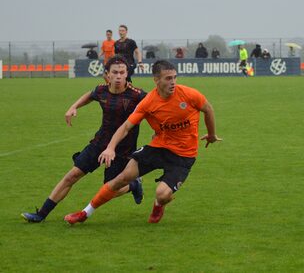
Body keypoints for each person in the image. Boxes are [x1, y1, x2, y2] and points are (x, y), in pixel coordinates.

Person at [64, 60, 222, 225]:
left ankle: (158, 204)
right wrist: (110, 148)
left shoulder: (189, 94)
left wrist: (211, 135)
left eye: (174, 77)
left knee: (162, 194)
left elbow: (208, 109)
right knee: (122, 178)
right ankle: (84, 213)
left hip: (183, 155)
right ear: (156, 80)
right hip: (158, 147)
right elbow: (125, 127)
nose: (173, 82)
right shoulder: (148, 102)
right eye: (168, 78)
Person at [21, 56, 147, 223]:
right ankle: (41, 214)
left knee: (110, 188)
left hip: (122, 150)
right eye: (114, 72)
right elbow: (90, 95)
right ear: (107, 75)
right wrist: (74, 107)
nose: (118, 76)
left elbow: (155, 108)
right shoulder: (102, 90)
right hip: (99, 144)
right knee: (71, 176)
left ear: (126, 74)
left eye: (122, 72)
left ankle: (133, 185)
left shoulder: (137, 95)